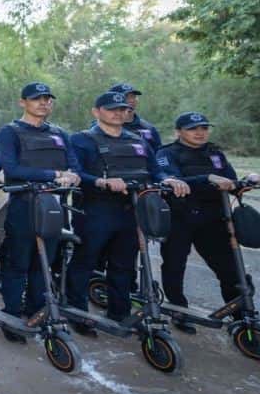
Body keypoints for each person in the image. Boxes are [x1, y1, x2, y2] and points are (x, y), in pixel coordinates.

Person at [68, 91, 189, 332]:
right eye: (112, 109)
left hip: (131, 211)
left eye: (123, 109)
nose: (118, 113)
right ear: (96, 112)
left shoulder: (138, 140)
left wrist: (168, 179)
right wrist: (101, 182)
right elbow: (75, 173)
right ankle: (77, 313)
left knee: (123, 266)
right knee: (85, 261)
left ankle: (119, 314)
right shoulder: (81, 140)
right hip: (95, 210)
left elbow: (155, 171)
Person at [0, 83, 83, 343]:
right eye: (37, 99)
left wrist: (74, 176)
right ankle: (12, 316)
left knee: (44, 263)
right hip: (24, 205)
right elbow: (12, 169)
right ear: (23, 102)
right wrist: (54, 174)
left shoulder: (60, 134)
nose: (44, 103)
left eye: (48, 99)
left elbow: (75, 167)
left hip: (54, 206)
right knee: (18, 263)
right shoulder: (10, 132)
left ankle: (36, 313)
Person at [157, 112, 260, 332]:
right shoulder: (166, 153)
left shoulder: (215, 153)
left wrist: (247, 181)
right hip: (180, 218)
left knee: (229, 268)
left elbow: (231, 182)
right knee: (174, 265)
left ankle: (240, 316)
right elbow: (171, 181)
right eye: (193, 129)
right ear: (178, 132)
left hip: (214, 219)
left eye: (204, 128)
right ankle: (178, 311)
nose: (200, 133)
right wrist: (208, 178)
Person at [107, 83, 163, 149]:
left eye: (133, 97)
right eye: (126, 97)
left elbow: (157, 152)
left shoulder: (148, 128)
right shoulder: (104, 128)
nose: (131, 100)